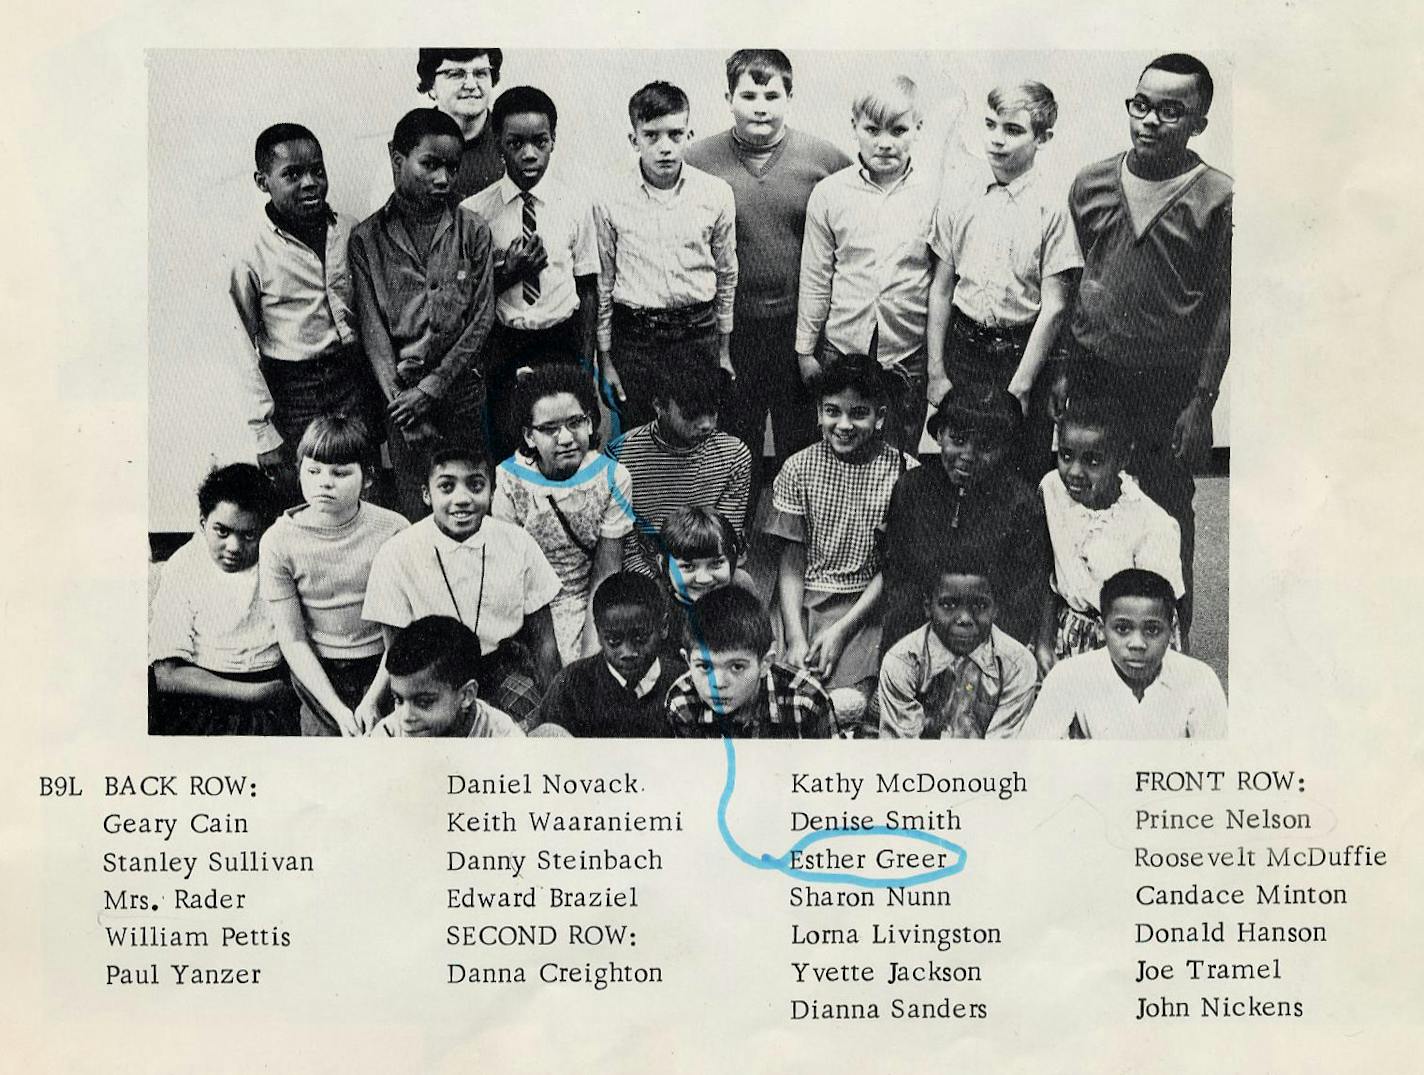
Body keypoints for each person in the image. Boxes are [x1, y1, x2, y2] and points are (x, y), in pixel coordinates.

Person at [1067, 53, 1232, 636]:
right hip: (1092, 373)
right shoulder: (1090, 182)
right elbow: (1079, 282)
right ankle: (1083, 633)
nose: (1150, 120)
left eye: (1170, 110)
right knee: (1085, 501)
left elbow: (1224, 309)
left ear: (1197, 123)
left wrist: (1203, 401)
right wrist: (1067, 368)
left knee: (1164, 510)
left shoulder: (1219, 198)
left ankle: (1174, 643)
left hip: (1168, 385)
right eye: (1141, 105)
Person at [685, 49, 851, 505]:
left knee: (802, 438)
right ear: (728, 97)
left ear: (789, 97)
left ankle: (799, 540)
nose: (761, 105)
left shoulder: (824, 159)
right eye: (749, 94)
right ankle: (733, 544)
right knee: (737, 440)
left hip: (798, 330)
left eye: (772, 95)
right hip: (733, 329)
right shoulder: (697, 159)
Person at [925, 80, 1081, 480]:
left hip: (1021, 352)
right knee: (962, 463)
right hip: (965, 349)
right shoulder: (960, 195)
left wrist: (1024, 385)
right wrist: (937, 370)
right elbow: (942, 289)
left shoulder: (1051, 206)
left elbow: (1055, 306)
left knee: (1018, 468)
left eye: (1013, 130)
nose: (997, 140)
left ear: (1042, 138)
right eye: (991, 125)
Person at [349, 107, 497, 521]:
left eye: (452, 167)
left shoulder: (473, 231)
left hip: (462, 393)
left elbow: (481, 320)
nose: (443, 179)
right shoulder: (367, 239)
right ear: (397, 159)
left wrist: (431, 388)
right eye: (429, 165)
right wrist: (403, 404)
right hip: (401, 401)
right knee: (418, 511)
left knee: (470, 505)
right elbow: (373, 329)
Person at [228, 124, 380, 504]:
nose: (310, 183)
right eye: (292, 175)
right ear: (262, 181)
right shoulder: (250, 251)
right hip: (293, 389)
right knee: (304, 492)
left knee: (359, 481)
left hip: (352, 378)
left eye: (318, 170)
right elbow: (240, 347)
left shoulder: (348, 230)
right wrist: (263, 433)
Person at [766, 354, 916, 730]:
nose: (844, 425)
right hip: (803, 600)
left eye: (859, 413)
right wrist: (797, 637)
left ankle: (859, 700)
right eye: (833, 411)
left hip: (866, 606)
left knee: (848, 702)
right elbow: (792, 562)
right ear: (818, 412)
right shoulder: (798, 467)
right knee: (783, 684)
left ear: (880, 417)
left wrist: (842, 629)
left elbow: (892, 568)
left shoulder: (904, 472)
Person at [361, 444, 562, 724]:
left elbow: (544, 643)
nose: (462, 499)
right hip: (431, 674)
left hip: (502, 666)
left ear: (491, 491)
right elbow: (396, 650)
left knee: (526, 742)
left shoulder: (518, 543)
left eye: (476, 485)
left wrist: (556, 708)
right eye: (446, 487)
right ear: (426, 494)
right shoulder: (397, 552)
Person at [796, 75, 937, 450]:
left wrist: (936, 363)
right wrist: (806, 350)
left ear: (918, 129)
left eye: (899, 130)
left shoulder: (936, 193)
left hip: (908, 351)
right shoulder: (830, 194)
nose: (885, 142)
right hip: (841, 344)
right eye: (872, 129)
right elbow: (816, 276)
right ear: (854, 127)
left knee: (898, 451)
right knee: (838, 447)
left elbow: (942, 281)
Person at [461, 85, 599, 460]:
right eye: (515, 142)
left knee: (566, 446)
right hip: (504, 343)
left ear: (553, 140)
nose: (528, 154)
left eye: (539, 141)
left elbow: (587, 287)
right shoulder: (476, 213)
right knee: (511, 444)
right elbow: (468, 298)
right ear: (497, 143)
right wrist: (508, 272)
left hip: (562, 340)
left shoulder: (576, 204)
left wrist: (585, 364)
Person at [594, 81, 738, 428]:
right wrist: (606, 360)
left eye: (675, 135)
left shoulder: (715, 193)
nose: (665, 148)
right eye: (652, 136)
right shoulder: (609, 197)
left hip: (697, 333)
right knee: (639, 436)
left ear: (689, 134)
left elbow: (727, 274)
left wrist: (722, 349)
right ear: (634, 140)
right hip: (637, 339)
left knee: (697, 434)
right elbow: (604, 281)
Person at [258, 416, 409, 736]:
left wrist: (372, 700)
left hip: (385, 664)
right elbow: (293, 639)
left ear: (367, 477)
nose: (325, 482)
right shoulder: (277, 541)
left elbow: (402, 630)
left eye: (340, 473)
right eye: (313, 471)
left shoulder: (394, 530)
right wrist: (338, 710)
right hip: (318, 670)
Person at [879, 380, 1048, 653]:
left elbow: (1021, 599)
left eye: (985, 446)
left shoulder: (1022, 504)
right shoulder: (912, 489)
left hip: (991, 642)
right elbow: (900, 582)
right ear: (939, 435)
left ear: (1005, 448)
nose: (968, 455)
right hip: (918, 637)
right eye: (957, 440)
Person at [491, 365, 632, 663]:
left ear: (591, 424)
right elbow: (512, 574)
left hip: (591, 597)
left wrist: (589, 656)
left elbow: (606, 572)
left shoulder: (613, 477)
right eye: (549, 429)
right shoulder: (509, 479)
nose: (566, 438)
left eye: (575, 422)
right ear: (529, 436)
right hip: (529, 604)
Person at [1036, 393, 1184, 676]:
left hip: (1128, 642)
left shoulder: (1153, 524)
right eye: (1066, 456)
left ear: (1122, 459)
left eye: (1093, 461)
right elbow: (1050, 575)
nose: (1075, 472)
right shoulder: (1052, 489)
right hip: (1067, 636)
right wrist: (1043, 642)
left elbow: (1163, 615)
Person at [149, 464, 296, 735]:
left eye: (249, 535)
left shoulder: (277, 558)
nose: (234, 547)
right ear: (203, 522)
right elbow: (166, 675)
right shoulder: (184, 565)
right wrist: (257, 694)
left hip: (272, 688)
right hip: (202, 693)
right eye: (222, 531)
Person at [1020, 568, 1226, 739]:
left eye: (1152, 630)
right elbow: (1034, 757)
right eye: (1122, 629)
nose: (1137, 644)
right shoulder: (1069, 675)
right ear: (1101, 629)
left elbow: (1215, 766)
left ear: (1172, 632)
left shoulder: (1199, 679)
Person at [604, 361, 752, 577]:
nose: (706, 424)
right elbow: (626, 547)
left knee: (743, 582)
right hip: (646, 574)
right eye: (691, 414)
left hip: (707, 570)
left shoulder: (734, 456)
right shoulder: (621, 455)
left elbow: (723, 539)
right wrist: (657, 584)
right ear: (659, 406)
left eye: (712, 412)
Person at [878, 562, 1038, 739]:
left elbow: (1001, 752)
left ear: (996, 609)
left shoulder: (1017, 664)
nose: (964, 619)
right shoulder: (903, 661)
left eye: (979, 606)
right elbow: (901, 754)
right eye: (949, 605)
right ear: (927, 606)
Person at [666, 585, 833, 739]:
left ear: (765, 664)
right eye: (704, 666)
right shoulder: (682, 702)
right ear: (687, 661)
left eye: (737, 667)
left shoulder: (807, 699)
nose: (718, 683)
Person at [536, 573, 684, 738]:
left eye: (641, 637)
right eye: (614, 640)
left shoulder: (684, 683)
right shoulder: (572, 685)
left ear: (663, 627)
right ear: (598, 633)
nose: (627, 652)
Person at [368, 616, 524, 737]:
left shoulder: (501, 735)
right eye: (398, 700)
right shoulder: (388, 734)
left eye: (423, 702)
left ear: (466, 695)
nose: (406, 717)